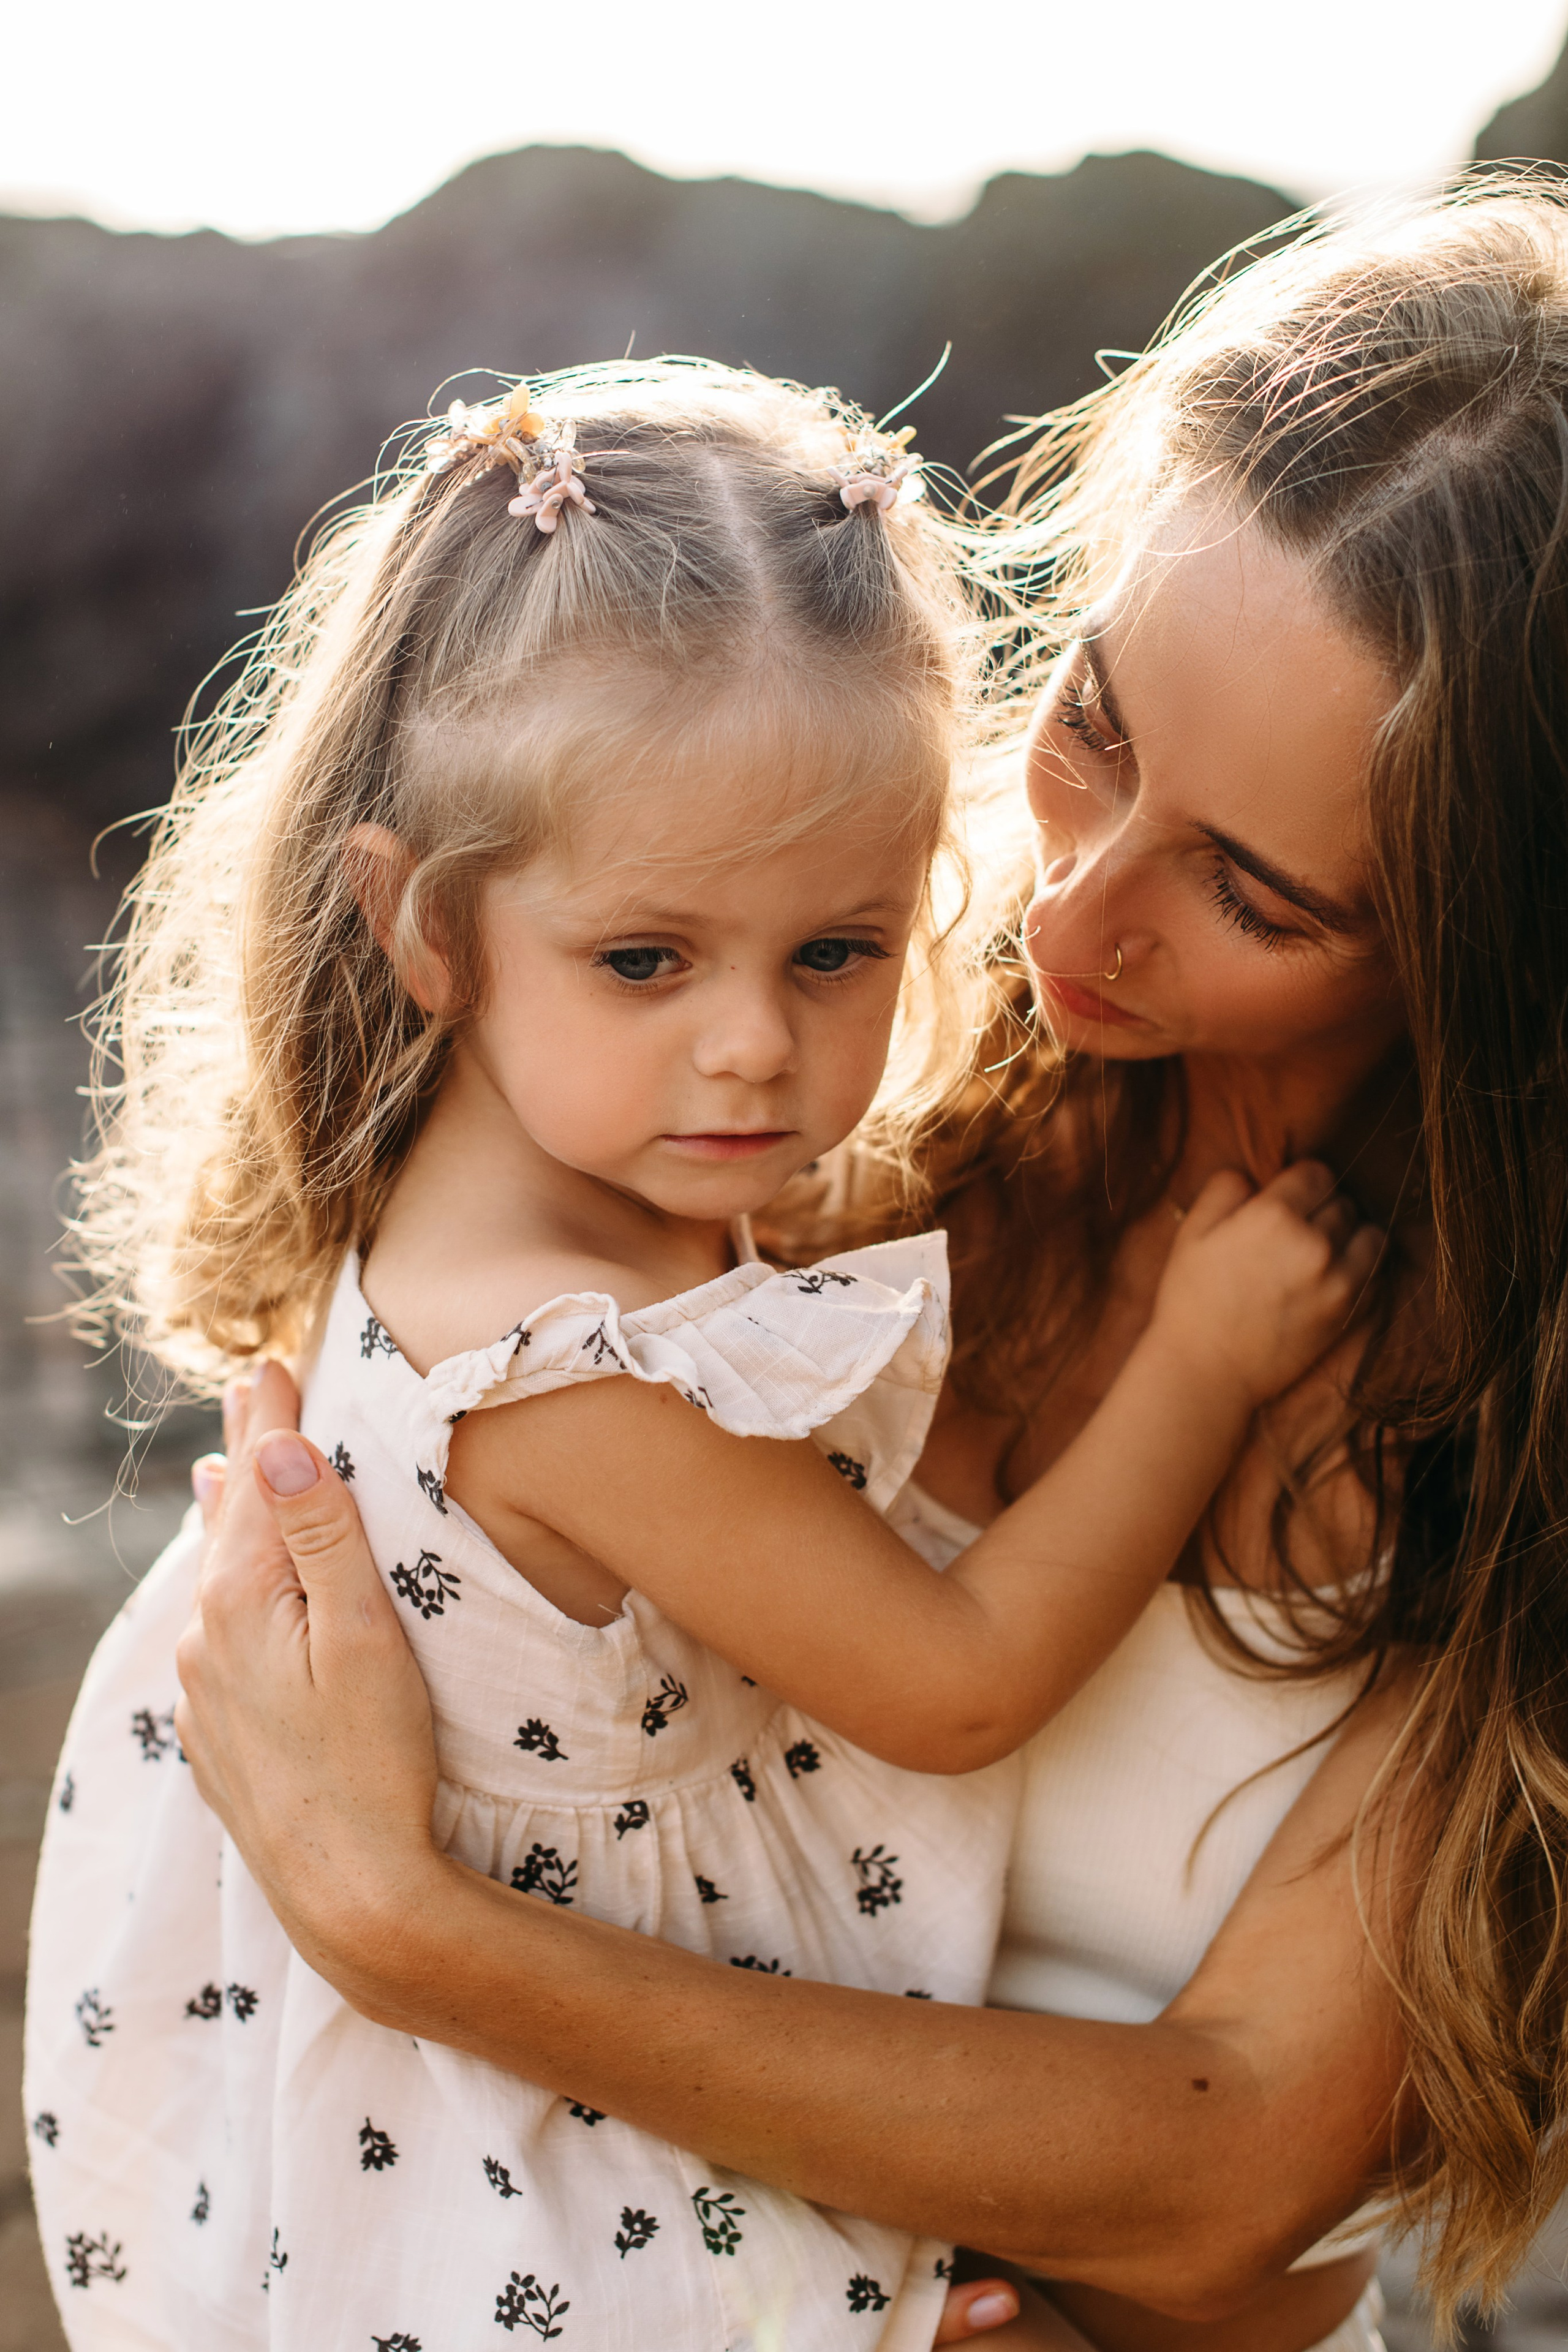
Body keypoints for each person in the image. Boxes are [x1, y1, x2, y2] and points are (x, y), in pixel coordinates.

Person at [21, 358, 1371, 2352]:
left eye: (836, 951)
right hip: (553, 2200)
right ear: (422, 921)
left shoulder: (503, 1192)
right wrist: (1202, 1353)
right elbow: (958, 1681)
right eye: (648, 959)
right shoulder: (577, 1368)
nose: (752, 1044)